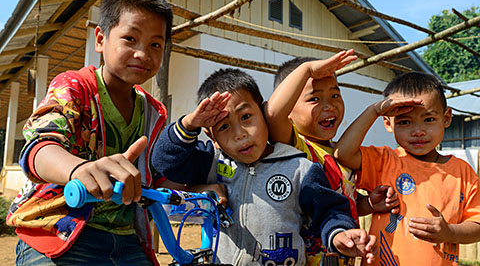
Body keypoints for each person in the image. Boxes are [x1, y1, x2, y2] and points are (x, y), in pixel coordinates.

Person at [6, 0, 186, 265]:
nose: (143, 54)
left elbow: (152, 179)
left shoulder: (153, 112)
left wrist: (198, 189)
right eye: (130, 39)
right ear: (100, 40)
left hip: (128, 240)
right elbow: (40, 147)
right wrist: (77, 169)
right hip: (61, 232)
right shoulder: (74, 86)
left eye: (156, 45)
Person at [152, 68, 377, 265]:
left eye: (246, 117)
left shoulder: (299, 168)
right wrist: (189, 124)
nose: (239, 134)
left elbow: (330, 209)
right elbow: (165, 163)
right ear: (211, 135)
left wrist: (339, 234)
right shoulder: (211, 161)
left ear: (264, 112)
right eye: (224, 127)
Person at [265, 52, 399, 265]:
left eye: (335, 95)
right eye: (315, 99)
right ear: (289, 110)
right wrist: (306, 70)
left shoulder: (341, 153)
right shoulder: (295, 146)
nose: (329, 106)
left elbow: (345, 201)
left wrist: (369, 203)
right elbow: (272, 114)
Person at [333, 71, 480, 265]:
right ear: (388, 123)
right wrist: (373, 111)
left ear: (446, 118)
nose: (418, 131)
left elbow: (477, 225)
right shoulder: (384, 160)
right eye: (404, 122)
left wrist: (449, 232)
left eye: (428, 119)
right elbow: (342, 153)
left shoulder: (462, 172)